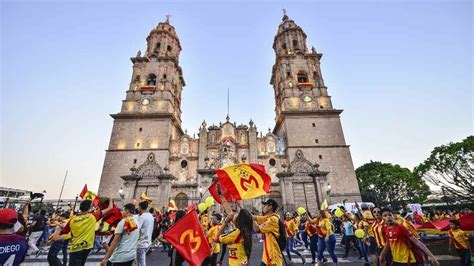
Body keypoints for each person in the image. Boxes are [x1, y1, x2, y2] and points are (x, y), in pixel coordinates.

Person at [54, 199, 113, 266]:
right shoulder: (93, 216)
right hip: (87, 247)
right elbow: (110, 208)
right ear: (90, 208)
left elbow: (63, 232)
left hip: (76, 249)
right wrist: (110, 199)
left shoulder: (72, 220)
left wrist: (56, 233)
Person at [253, 199, 283, 266]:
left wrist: (251, 219)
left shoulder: (272, 219)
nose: (263, 207)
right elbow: (255, 217)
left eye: (265, 205)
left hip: (273, 258)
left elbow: (257, 229)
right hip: (266, 256)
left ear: (270, 207)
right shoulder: (269, 217)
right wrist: (241, 207)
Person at [136, 201, 154, 266]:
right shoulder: (150, 216)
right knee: (141, 261)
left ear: (140, 207)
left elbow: (137, 229)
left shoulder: (142, 217)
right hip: (148, 242)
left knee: (141, 262)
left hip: (141, 243)